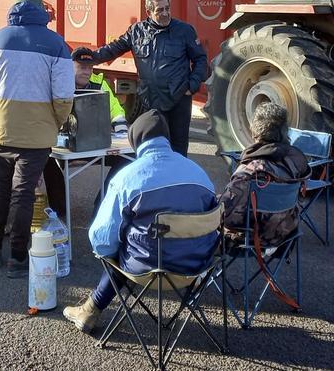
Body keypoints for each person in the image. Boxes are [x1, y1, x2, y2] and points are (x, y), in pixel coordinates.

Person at [63, 110, 219, 333]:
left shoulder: (127, 177)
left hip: (145, 268)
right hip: (196, 265)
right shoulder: (199, 173)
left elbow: (100, 241)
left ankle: (91, 309)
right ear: (166, 139)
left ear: (136, 141)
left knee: (119, 242)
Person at [0, 0, 75, 278]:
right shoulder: (57, 44)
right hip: (38, 134)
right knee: (23, 194)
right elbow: (63, 96)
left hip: (3, 130)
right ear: (41, 11)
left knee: (0, 188)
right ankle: (17, 258)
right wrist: (56, 121)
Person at [73, 0, 208, 156]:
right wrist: (91, 57)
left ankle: (178, 180)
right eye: (160, 10)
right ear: (149, 12)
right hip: (150, 101)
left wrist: (192, 86)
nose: (165, 13)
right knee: (151, 149)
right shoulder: (136, 31)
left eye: (167, 8)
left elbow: (201, 60)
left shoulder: (184, 31)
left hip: (178, 99)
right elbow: (114, 48)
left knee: (178, 150)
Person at [42, 52, 129, 221]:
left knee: (128, 158)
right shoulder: (58, 83)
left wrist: (121, 130)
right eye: (82, 67)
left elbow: (116, 111)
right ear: (70, 66)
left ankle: (103, 206)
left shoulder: (99, 83)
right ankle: (60, 213)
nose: (87, 71)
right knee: (47, 160)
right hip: (63, 144)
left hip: (95, 144)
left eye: (90, 68)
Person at [219, 103, 310, 247]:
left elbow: (227, 216)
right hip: (287, 235)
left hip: (252, 239)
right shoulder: (297, 161)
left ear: (254, 131)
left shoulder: (248, 172)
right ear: (285, 130)